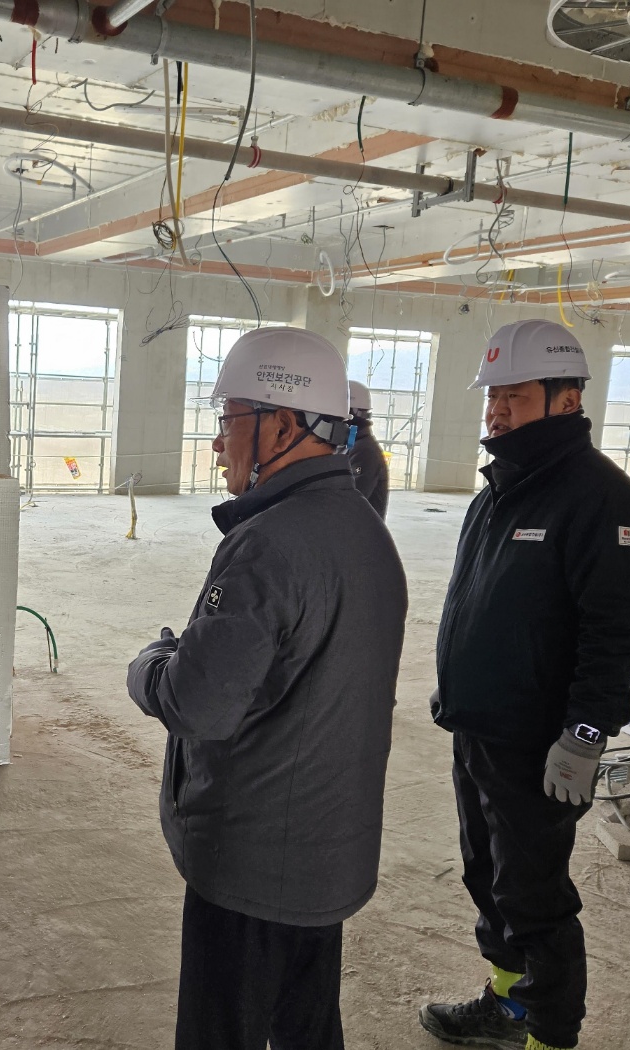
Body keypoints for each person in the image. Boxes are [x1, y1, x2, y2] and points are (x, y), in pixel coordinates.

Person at [125, 327, 408, 1050]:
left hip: (253, 861)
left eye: (229, 420)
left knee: (223, 1029)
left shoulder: (270, 543)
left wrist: (151, 665)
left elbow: (199, 702)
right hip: (324, 852)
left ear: (282, 425)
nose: (217, 443)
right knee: (304, 1024)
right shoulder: (364, 529)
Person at [421, 319, 630, 1050]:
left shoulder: (604, 500)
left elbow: (615, 633)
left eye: (514, 396)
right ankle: (508, 1005)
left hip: (538, 742)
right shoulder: (501, 490)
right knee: (486, 876)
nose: (496, 411)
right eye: (492, 396)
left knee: (534, 895)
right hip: (479, 726)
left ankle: (549, 1036)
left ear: (566, 398)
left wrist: (584, 737)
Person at [346, 380, 389, 518]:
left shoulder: (364, 451)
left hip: (358, 529)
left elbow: (351, 499)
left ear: (350, 414)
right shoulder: (352, 446)